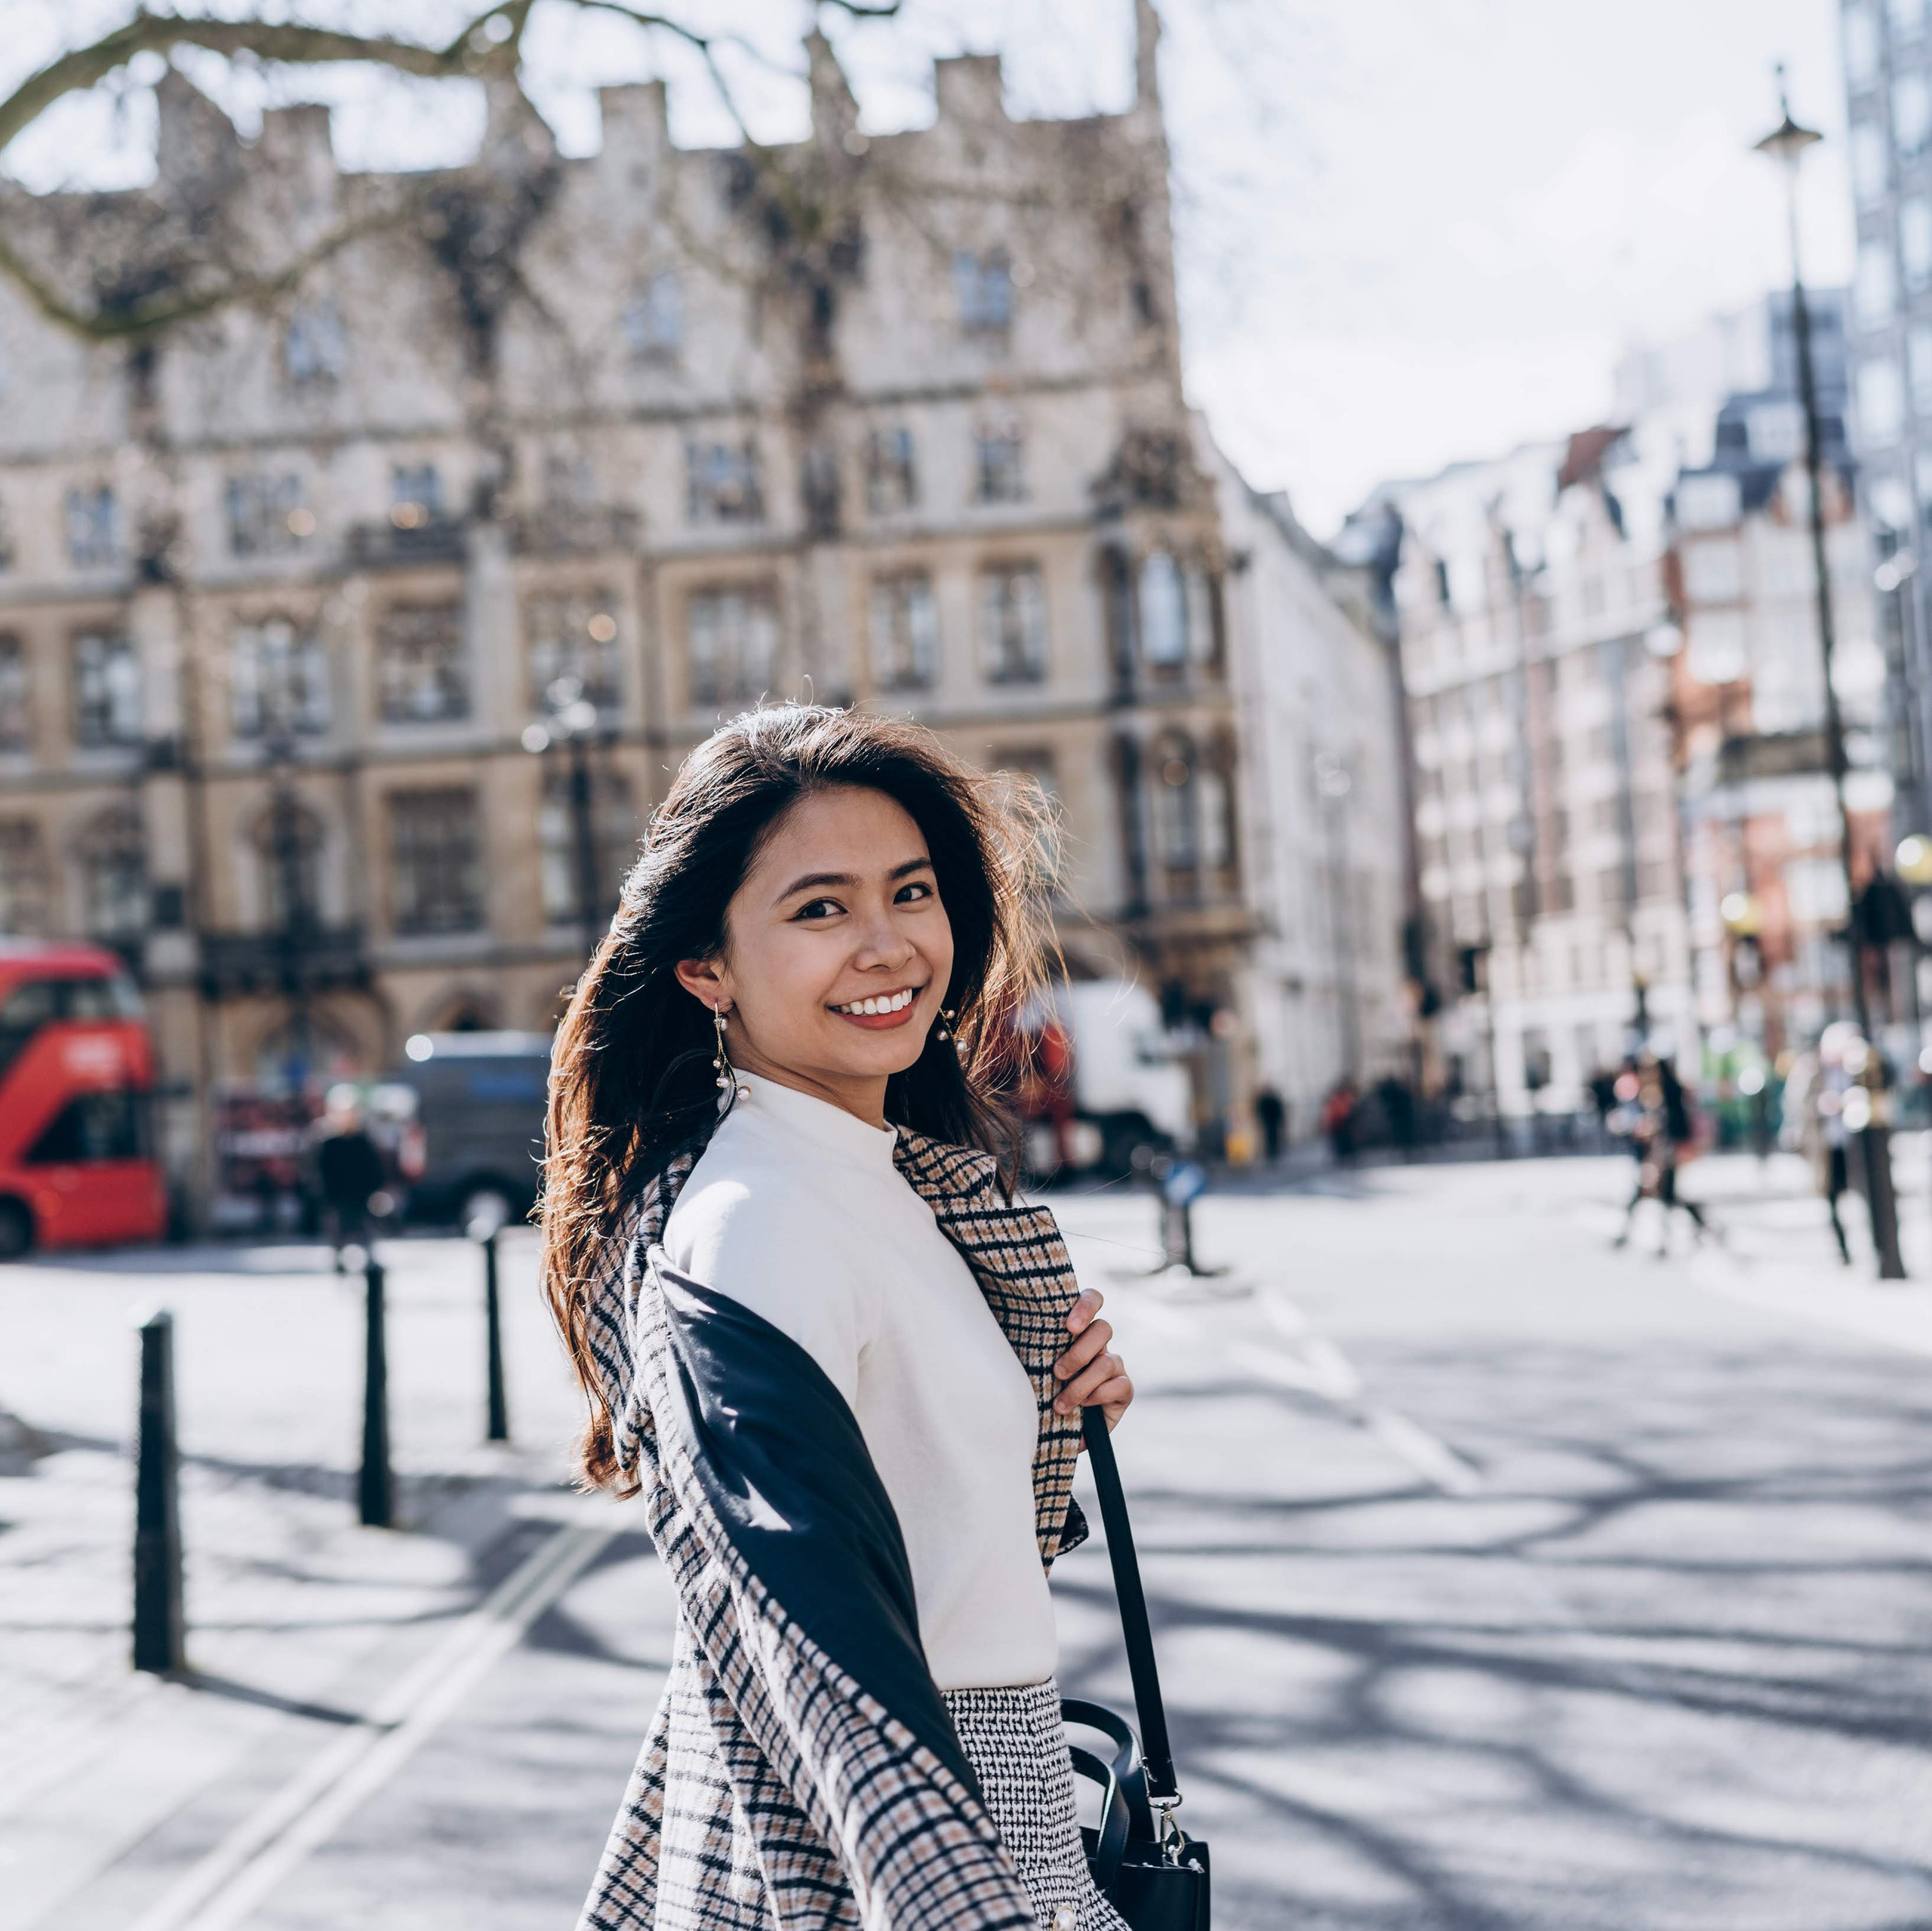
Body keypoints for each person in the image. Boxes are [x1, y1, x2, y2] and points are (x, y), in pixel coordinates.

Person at [541, 705, 1137, 1931]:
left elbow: (927, 1535)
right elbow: (825, 1654)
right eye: (820, 908)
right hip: (890, 1842)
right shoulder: (757, 1219)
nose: (889, 944)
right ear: (706, 965)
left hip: (1000, 1790)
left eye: (910, 891)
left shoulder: (880, 1174)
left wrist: (1046, 1400)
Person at [1611, 1053, 1713, 1256]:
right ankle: (1698, 1229)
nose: (1646, 1074)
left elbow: (1675, 1125)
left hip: (1668, 1155)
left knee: (1666, 1197)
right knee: (1662, 1197)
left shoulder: (1670, 1092)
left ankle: (1667, 1240)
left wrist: (1655, 1131)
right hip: (1655, 1156)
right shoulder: (1650, 1092)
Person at [314, 1088, 386, 1271]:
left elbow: (374, 1168)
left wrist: (375, 1191)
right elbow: (319, 1172)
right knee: (338, 1234)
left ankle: (370, 1270)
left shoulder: (363, 1141)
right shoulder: (328, 1142)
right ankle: (339, 1265)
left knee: (366, 1236)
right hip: (337, 1199)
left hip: (361, 1197)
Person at [1254, 1084, 1286, 1163]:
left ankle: (1273, 1153)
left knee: (1273, 1138)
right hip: (1269, 1122)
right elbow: (1259, 1110)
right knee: (1270, 1138)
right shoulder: (1266, 1100)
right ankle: (1271, 1153)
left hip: (1272, 1122)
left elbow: (1279, 1110)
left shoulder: (1268, 1100)